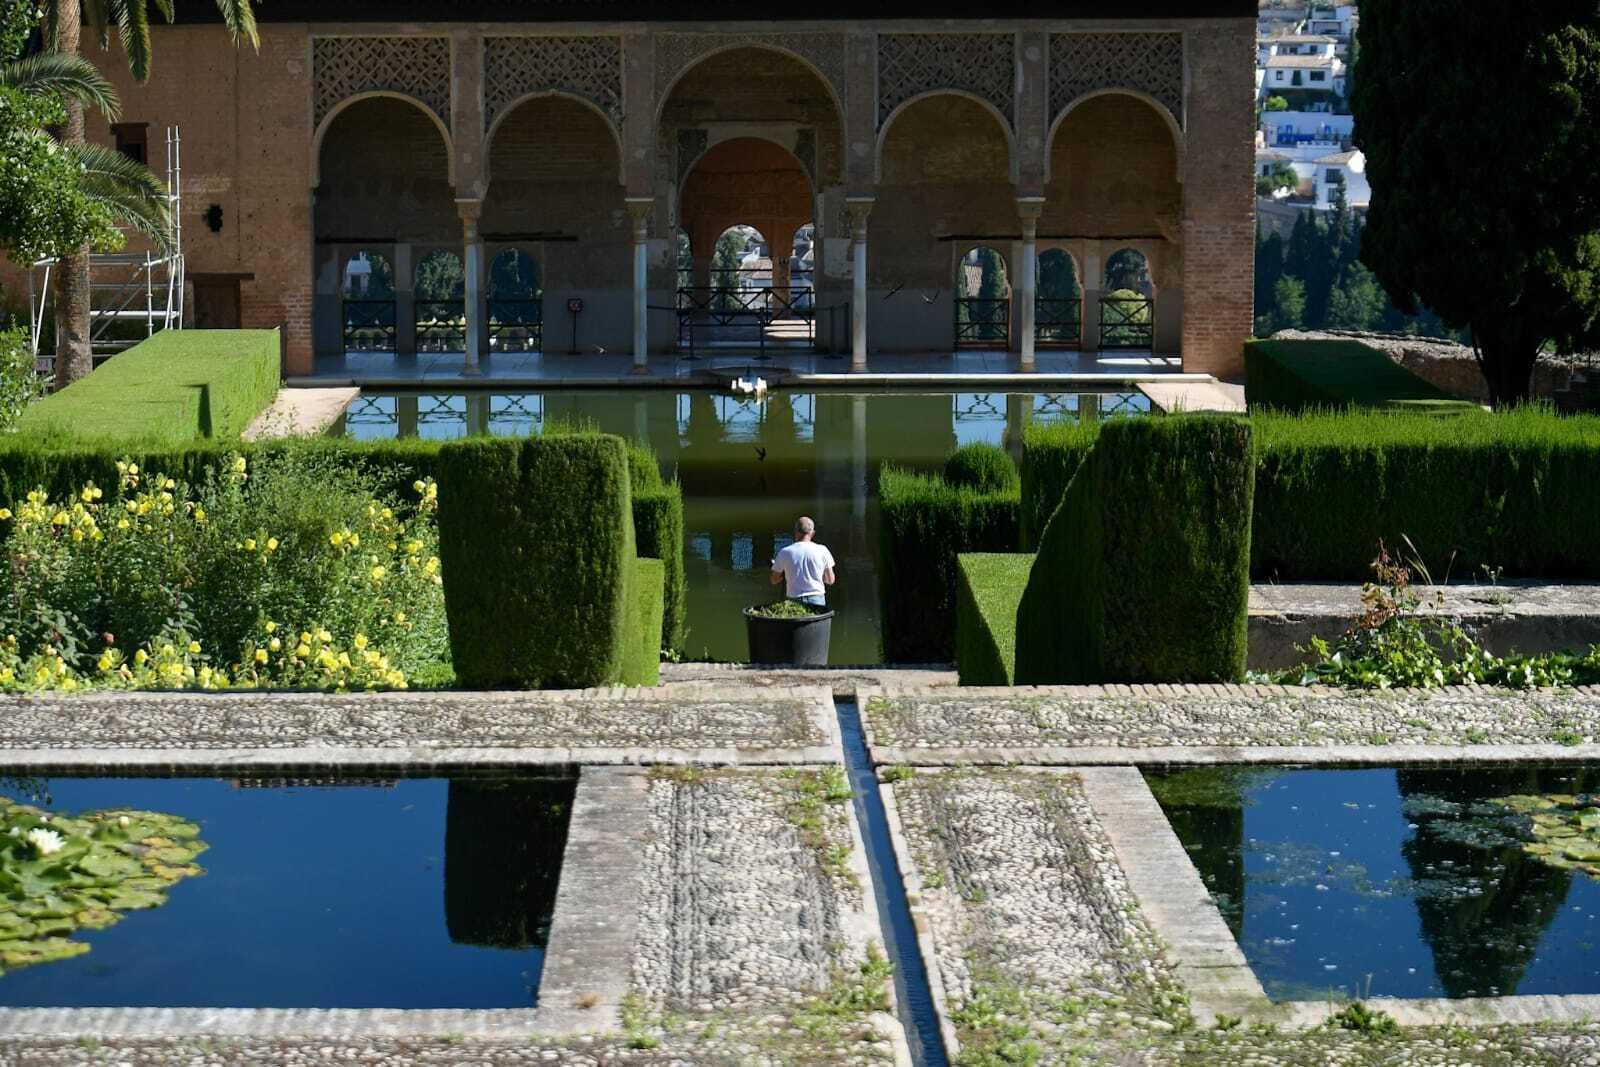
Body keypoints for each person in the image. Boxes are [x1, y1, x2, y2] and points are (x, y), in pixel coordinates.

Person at [770, 516, 836, 606]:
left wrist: (785, 574)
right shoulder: (823, 550)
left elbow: (774, 580)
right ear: (812, 533)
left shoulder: (785, 552)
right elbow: (830, 580)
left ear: (796, 532)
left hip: (793, 601)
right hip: (817, 600)